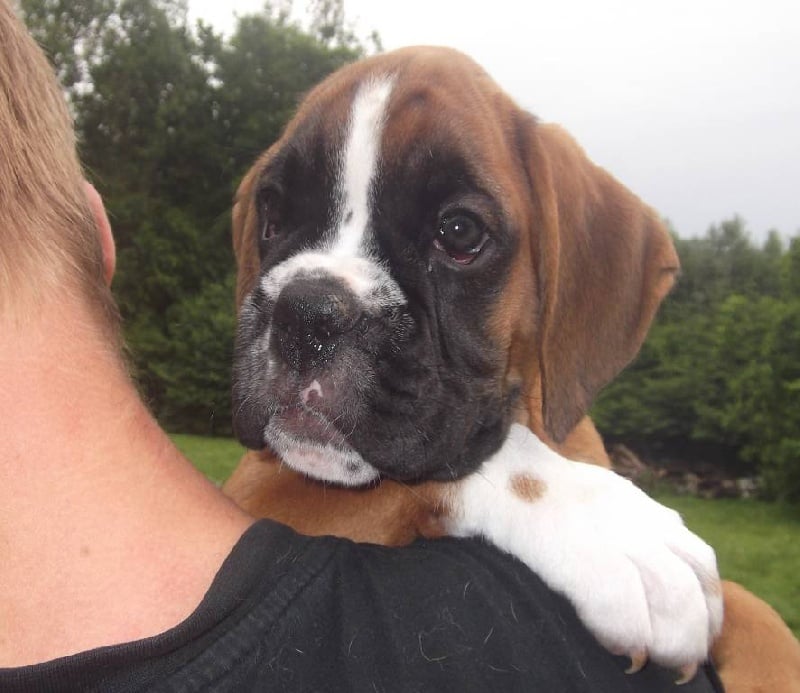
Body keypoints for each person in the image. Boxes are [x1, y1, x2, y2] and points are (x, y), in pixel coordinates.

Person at [0, 3, 723, 690]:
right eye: (280, 222)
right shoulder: (302, 492)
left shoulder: (575, 464)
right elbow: (258, 545)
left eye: (458, 234)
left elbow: (674, 606)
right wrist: (479, 485)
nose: (312, 308)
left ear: (567, 282)